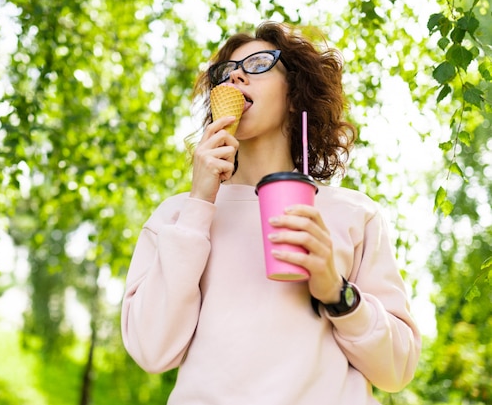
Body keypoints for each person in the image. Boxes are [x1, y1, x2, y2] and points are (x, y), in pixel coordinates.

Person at [121, 20, 421, 404]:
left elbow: (396, 370)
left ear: (296, 95)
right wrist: (199, 203)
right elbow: (151, 350)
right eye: (225, 73)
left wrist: (336, 292)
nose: (237, 77)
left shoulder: (354, 214)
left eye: (259, 64)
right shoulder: (175, 216)